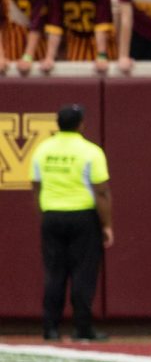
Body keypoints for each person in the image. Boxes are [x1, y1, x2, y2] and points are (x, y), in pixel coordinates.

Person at [30, 104, 113, 342]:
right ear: (81, 124)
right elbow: (102, 192)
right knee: (82, 274)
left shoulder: (42, 150)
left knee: (54, 273)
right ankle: (82, 328)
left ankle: (50, 328)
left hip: (52, 214)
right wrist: (106, 225)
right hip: (82, 216)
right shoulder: (90, 151)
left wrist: (44, 214)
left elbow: (36, 187)